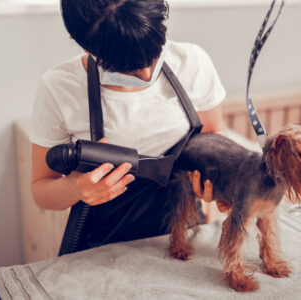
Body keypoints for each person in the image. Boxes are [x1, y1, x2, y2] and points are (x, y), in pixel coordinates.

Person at [30, 0, 226, 253]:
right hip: (104, 251)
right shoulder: (59, 88)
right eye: (127, 67)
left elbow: (213, 134)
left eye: (153, 55)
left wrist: (216, 180)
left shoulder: (192, 62)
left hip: (186, 235)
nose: (146, 74)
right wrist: (75, 187)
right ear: (76, 39)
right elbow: (41, 190)